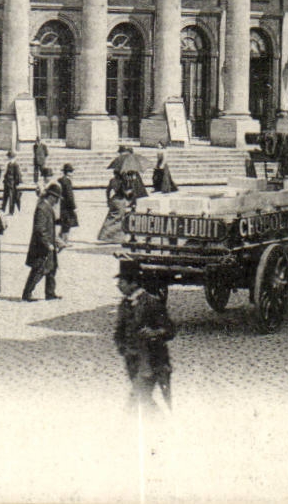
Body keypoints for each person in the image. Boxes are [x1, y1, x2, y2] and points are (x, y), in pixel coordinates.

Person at [114, 264, 177, 413]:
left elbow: (170, 330)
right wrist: (123, 348)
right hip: (133, 361)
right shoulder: (124, 304)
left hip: (151, 361)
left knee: (136, 400)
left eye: (122, 282)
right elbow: (119, 331)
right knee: (144, 399)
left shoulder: (151, 303)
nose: (118, 285)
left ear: (134, 283)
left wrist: (154, 333)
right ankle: (161, 422)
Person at [22, 183, 64, 301]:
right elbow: (39, 230)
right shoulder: (41, 208)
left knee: (52, 268)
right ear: (51, 196)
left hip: (49, 244)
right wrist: (48, 244)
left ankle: (50, 293)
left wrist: (56, 241)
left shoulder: (47, 207)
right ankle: (27, 293)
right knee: (38, 270)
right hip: (41, 246)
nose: (57, 201)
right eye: (56, 198)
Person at [99, 171, 135, 242]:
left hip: (114, 199)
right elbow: (125, 193)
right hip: (120, 201)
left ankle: (105, 235)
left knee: (111, 218)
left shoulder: (112, 180)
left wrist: (108, 200)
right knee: (119, 219)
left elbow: (107, 191)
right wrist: (131, 188)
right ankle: (116, 238)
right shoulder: (122, 181)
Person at [57, 164, 80, 242]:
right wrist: (74, 206)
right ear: (68, 173)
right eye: (71, 172)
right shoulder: (67, 181)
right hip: (67, 206)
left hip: (61, 204)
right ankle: (64, 240)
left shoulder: (60, 180)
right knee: (67, 223)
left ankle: (61, 239)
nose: (72, 174)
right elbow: (69, 195)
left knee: (64, 223)